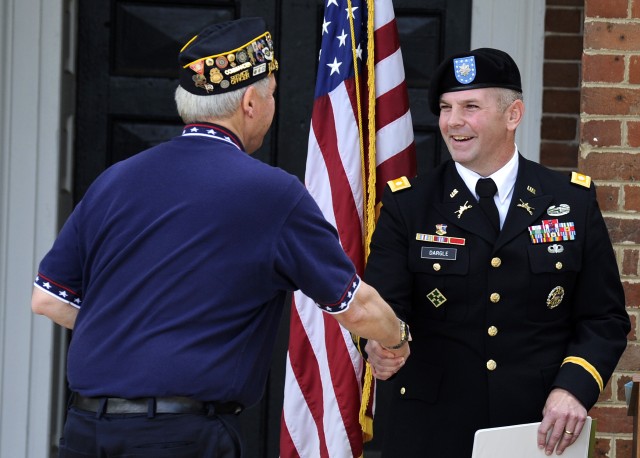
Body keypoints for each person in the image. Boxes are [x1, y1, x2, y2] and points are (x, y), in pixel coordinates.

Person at [31, 17, 410, 458]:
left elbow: (50, 300)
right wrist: (397, 339)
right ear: (250, 101)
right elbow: (356, 306)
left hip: (84, 432)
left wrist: (140, 334)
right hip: (180, 438)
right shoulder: (272, 194)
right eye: (270, 93)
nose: (272, 105)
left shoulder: (114, 180)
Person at [361, 48, 630, 457]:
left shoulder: (570, 201)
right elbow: (383, 305)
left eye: (470, 107)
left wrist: (573, 389)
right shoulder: (409, 205)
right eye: (446, 108)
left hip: (535, 429)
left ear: (513, 115)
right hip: (429, 431)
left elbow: (603, 318)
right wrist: (384, 343)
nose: (453, 122)